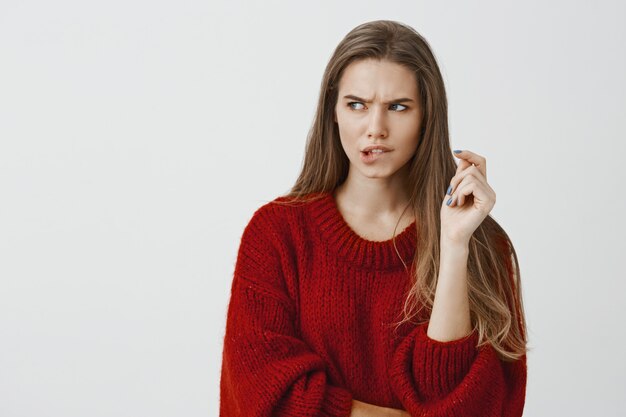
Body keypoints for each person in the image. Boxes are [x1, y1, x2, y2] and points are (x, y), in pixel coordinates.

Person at [219, 19, 528, 417]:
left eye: (398, 107)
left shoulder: (481, 246)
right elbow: (261, 397)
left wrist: (453, 248)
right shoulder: (277, 235)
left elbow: (469, 407)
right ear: (333, 111)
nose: (375, 129)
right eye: (357, 105)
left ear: (426, 118)